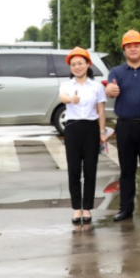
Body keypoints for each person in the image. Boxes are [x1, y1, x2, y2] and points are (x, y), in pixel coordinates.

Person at [105, 30, 140, 223]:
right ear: (124, 50)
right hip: (125, 126)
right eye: (129, 46)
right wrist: (110, 90)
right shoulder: (117, 72)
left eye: (136, 45)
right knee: (127, 170)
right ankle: (125, 209)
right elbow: (109, 89)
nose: (133, 49)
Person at [58, 47, 111, 226]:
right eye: (73, 64)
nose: (77, 67)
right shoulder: (67, 85)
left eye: (80, 63)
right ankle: (76, 208)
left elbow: (101, 111)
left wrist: (102, 132)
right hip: (72, 128)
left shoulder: (97, 86)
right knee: (73, 170)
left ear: (88, 64)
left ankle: (87, 208)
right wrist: (70, 100)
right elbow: (62, 97)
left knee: (90, 170)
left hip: (91, 128)